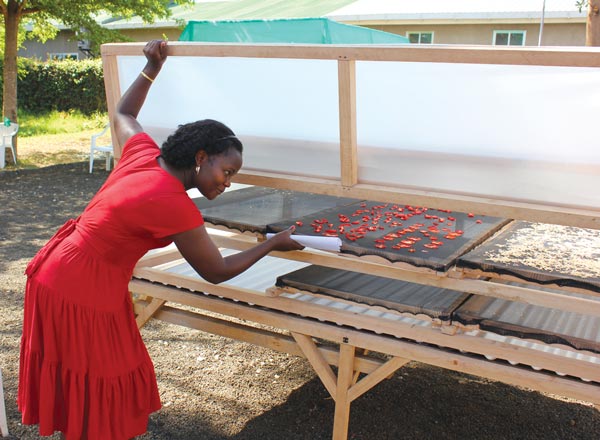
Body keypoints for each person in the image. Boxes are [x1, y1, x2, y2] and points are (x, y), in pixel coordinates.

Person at [18, 39, 304, 440]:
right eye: (228, 171)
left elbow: (123, 112)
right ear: (201, 157)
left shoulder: (143, 153)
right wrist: (273, 243)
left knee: (94, 375)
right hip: (80, 287)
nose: (228, 182)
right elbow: (217, 271)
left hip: (60, 267)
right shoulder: (172, 203)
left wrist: (151, 67)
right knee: (102, 380)